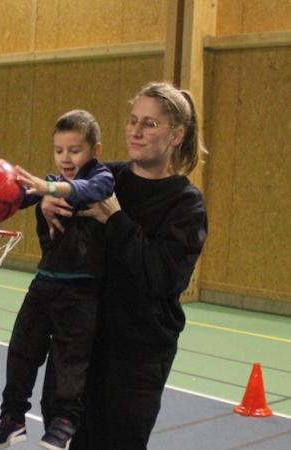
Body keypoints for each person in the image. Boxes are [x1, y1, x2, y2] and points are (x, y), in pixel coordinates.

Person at [40, 81, 208, 449]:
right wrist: (47, 206)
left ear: (176, 135)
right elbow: (58, 236)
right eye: (133, 120)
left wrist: (116, 220)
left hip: (136, 357)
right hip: (82, 346)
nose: (136, 130)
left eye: (150, 123)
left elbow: (162, 278)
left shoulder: (185, 205)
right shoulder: (102, 178)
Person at [0, 110, 114, 450]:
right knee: (22, 350)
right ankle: (12, 418)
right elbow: (14, 194)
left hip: (81, 291)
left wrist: (49, 188)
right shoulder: (49, 184)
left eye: (74, 150)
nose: (66, 158)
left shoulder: (101, 178)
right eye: (59, 150)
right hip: (44, 284)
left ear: (94, 150)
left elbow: (88, 189)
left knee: (71, 359)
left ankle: (65, 421)